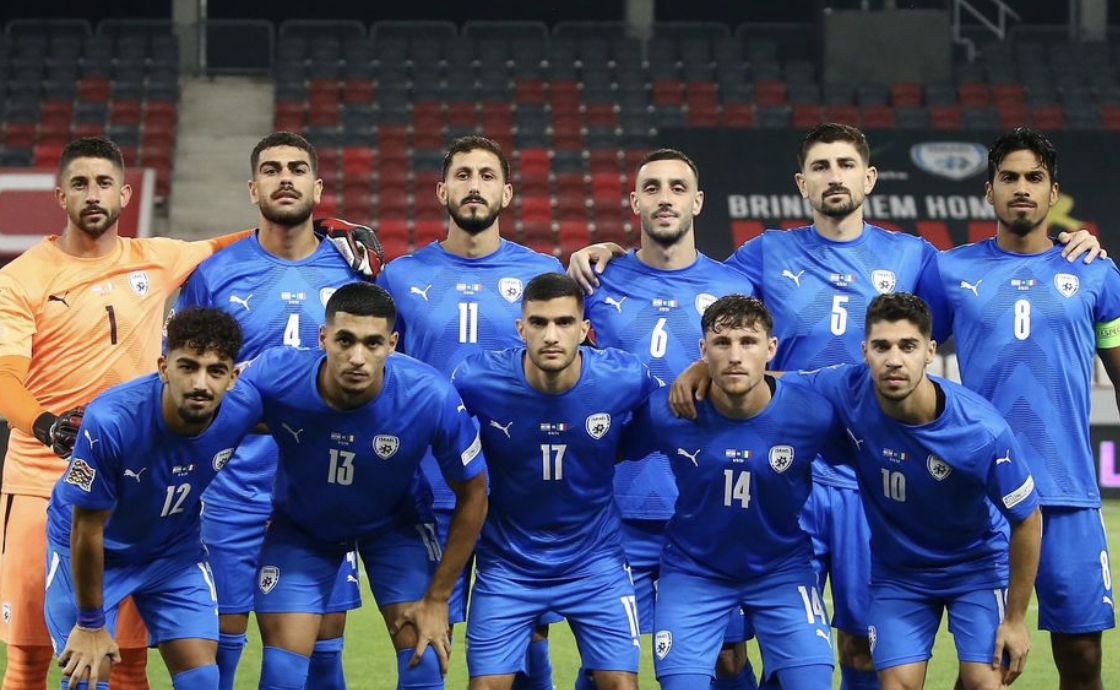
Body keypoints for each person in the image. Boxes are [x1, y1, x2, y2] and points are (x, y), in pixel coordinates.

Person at [570, 122, 1102, 690]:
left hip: (863, 475)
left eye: (846, 165)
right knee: (754, 647)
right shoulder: (765, 254)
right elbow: (698, 290)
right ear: (802, 182)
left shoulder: (915, 257)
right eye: (821, 167)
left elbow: (986, 286)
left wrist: (1075, 250)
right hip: (782, 470)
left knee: (859, 645)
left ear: (869, 177)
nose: (834, 177)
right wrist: (618, 259)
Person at [0, 137, 253, 690]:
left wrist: (328, 228)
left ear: (126, 193)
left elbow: (237, 245)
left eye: (105, 183)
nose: (94, 194)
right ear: (60, 193)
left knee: (130, 661)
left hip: (134, 491)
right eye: (82, 183)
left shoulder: (156, 258)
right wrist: (46, 425)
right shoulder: (21, 279)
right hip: (42, 484)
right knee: (30, 657)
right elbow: (3, 379)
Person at [918, 128, 1120, 690]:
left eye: (1035, 178)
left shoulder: (1096, 273)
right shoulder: (951, 272)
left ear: (1054, 192)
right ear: (989, 191)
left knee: (1082, 661)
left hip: (1069, 493)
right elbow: (906, 359)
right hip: (981, 495)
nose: (1022, 188)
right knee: (984, 670)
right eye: (1009, 178)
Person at [174, 132, 376, 690]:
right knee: (222, 653)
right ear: (252, 187)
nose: (284, 177)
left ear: (318, 186)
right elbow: (182, 375)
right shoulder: (215, 273)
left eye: (296, 168)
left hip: (323, 487)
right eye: (271, 169)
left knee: (322, 656)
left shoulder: (351, 273)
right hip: (230, 486)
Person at [775, 293, 1043, 690]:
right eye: (882, 346)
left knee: (984, 684)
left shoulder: (980, 430)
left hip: (975, 568)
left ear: (930, 352)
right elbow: (771, 383)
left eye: (908, 346)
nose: (894, 359)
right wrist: (702, 371)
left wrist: (1016, 620)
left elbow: (1028, 519)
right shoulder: (846, 388)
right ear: (865, 351)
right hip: (900, 575)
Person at [375, 135, 564, 689]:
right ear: (441, 190)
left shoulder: (543, 273)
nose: (474, 186)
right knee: (422, 645)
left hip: (517, 490)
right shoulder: (402, 276)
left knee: (528, 649)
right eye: (462, 175)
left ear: (506, 192)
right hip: (427, 489)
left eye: (486, 176)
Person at [235, 282, 487, 690]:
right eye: (345, 340)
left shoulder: (430, 395)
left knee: (423, 664)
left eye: (372, 343)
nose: (357, 357)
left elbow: (474, 495)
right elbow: (211, 426)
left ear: (392, 343)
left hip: (397, 525)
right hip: (302, 528)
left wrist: (438, 597)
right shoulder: (275, 375)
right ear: (322, 338)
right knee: (281, 676)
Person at [579, 149, 760, 690]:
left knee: (727, 656)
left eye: (678, 187)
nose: (664, 198)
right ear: (634, 201)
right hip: (615, 506)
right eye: (652, 187)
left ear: (698, 201)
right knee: (607, 664)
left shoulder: (737, 291)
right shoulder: (594, 283)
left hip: (707, 505)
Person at [451, 273, 660, 690]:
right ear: (520, 328)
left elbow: (667, 413)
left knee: (620, 684)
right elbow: (437, 424)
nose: (551, 335)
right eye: (539, 322)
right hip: (509, 563)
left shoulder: (623, 376)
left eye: (564, 323)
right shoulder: (477, 380)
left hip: (594, 560)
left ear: (584, 330)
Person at [622, 294, 837, 690]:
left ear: (771, 349)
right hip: (694, 571)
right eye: (722, 343)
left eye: (748, 342)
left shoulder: (813, 414)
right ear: (703, 351)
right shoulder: (668, 411)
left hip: (781, 569)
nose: (735, 355)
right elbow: (602, 451)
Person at [42, 307, 259, 690]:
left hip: (171, 553)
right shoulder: (112, 420)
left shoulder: (244, 408)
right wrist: (90, 623)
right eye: (187, 367)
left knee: (204, 679)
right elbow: (86, 529)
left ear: (233, 377)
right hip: (95, 551)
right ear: (163, 367)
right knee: (87, 680)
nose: (200, 384)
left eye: (215, 371)